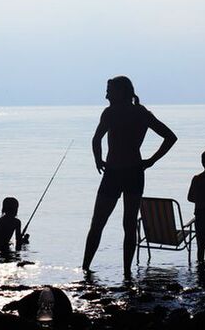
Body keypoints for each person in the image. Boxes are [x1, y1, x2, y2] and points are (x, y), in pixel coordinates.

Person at [82, 76, 177, 278]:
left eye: (109, 90)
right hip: (133, 172)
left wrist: (98, 160)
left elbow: (96, 139)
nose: (106, 94)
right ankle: (125, 272)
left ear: (120, 92)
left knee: (99, 223)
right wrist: (150, 161)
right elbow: (170, 137)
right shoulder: (139, 113)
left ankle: (87, 269)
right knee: (128, 224)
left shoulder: (112, 113)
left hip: (116, 173)